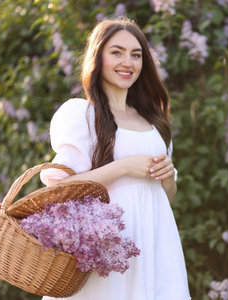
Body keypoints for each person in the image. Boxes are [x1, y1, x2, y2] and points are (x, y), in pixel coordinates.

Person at [39, 17, 191, 300]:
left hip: (154, 244)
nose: (128, 62)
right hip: (106, 248)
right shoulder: (82, 114)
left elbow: (162, 197)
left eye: (136, 55)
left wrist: (168, 177)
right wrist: (122, 167)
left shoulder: (154, 120)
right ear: (98, 57)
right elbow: (60, 189)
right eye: (117, 52)